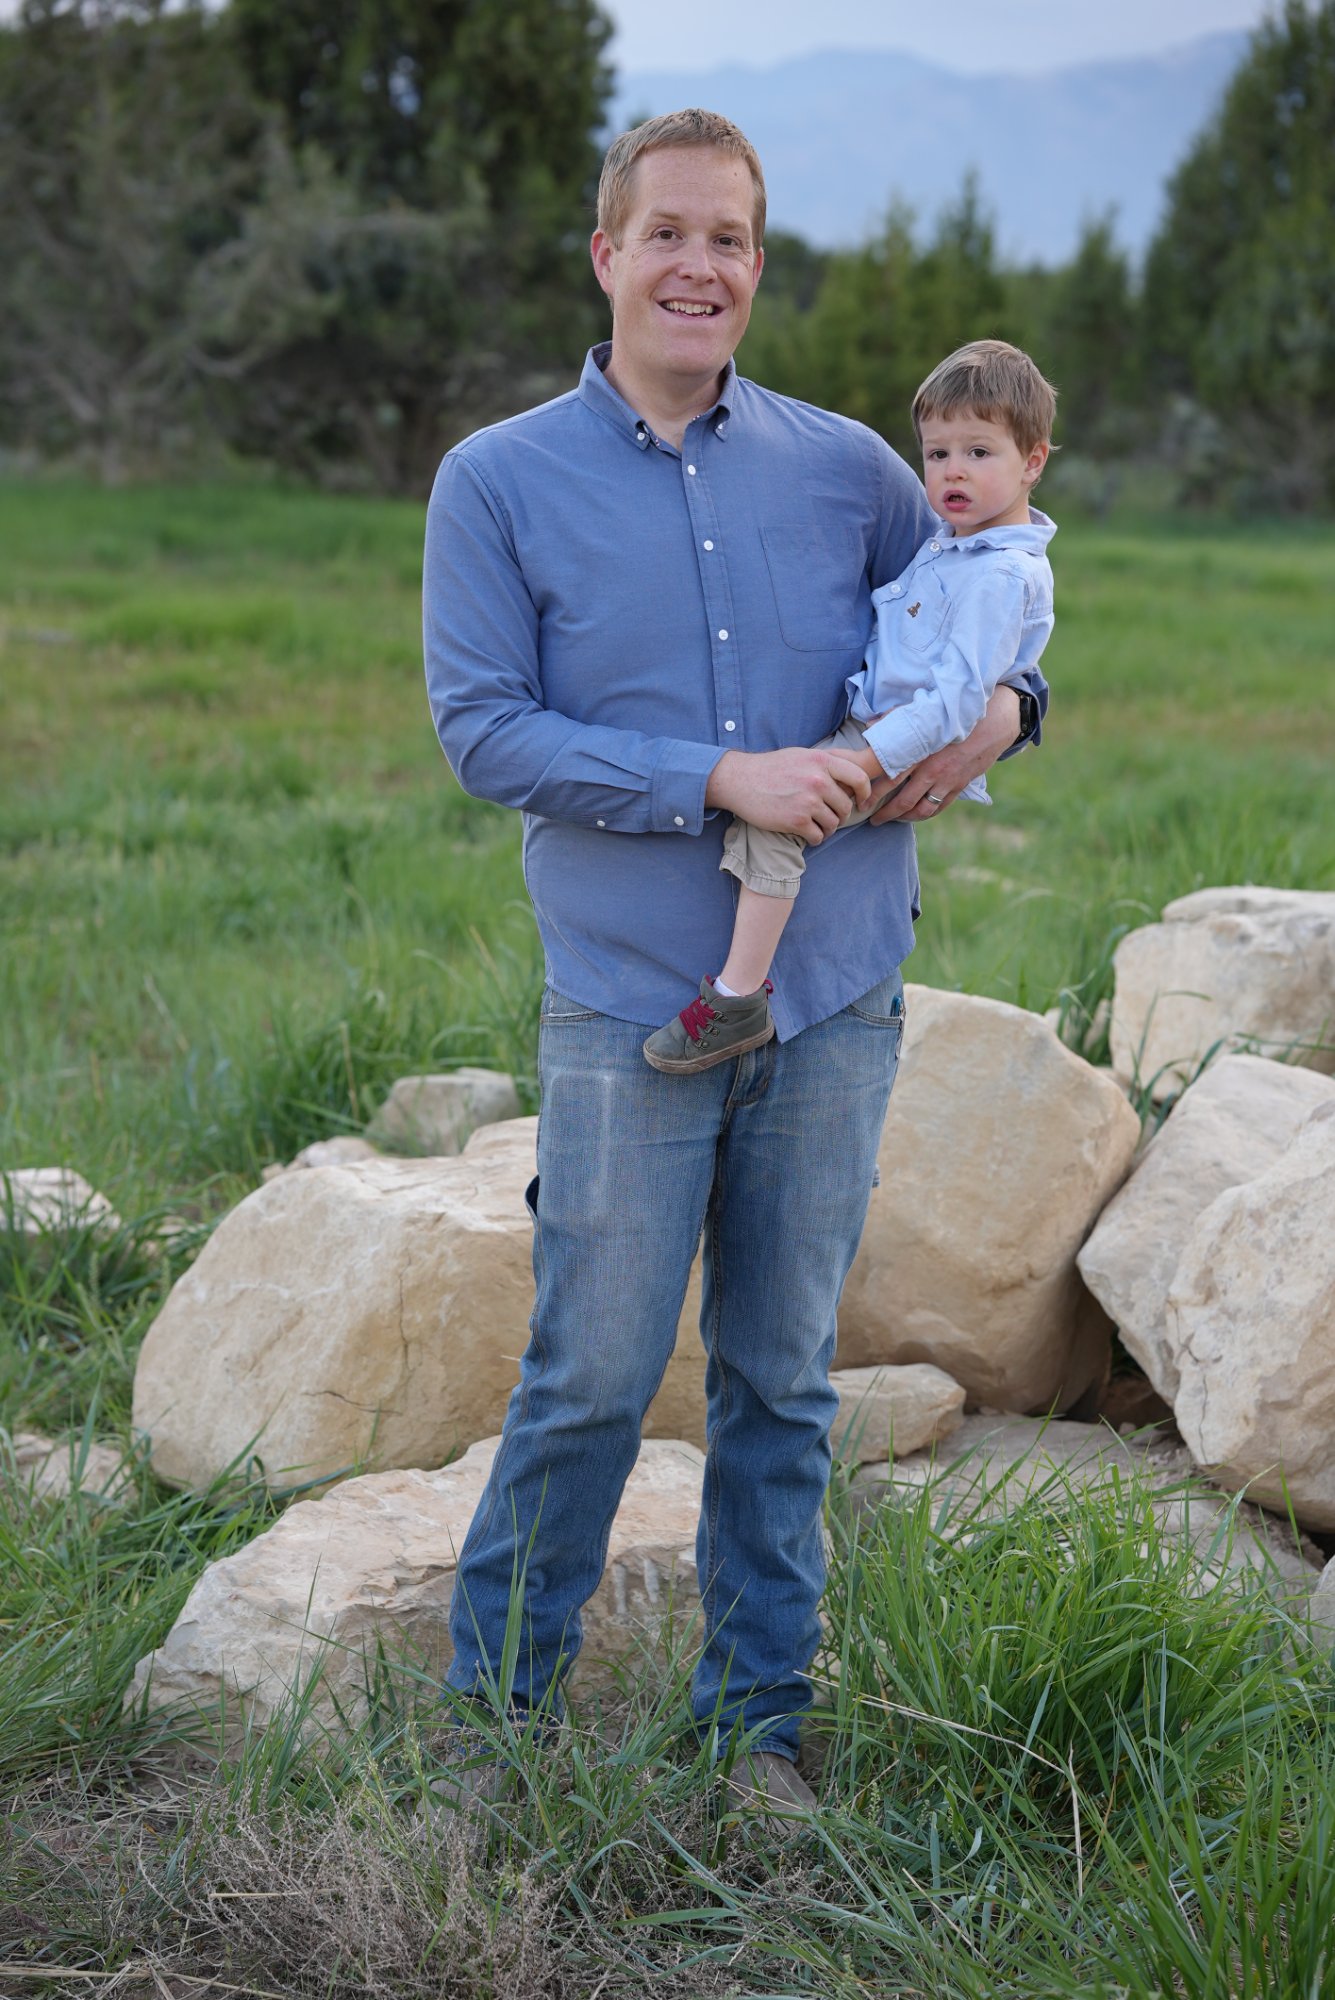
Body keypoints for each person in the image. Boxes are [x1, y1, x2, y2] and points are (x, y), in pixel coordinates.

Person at [423, 109, 1047, 1820]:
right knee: (588, 1379)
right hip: (632, 1000)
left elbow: (990, 603)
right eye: (669, 233)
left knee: (781, 1381)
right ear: (607, 254)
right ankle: (494, 1738)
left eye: (730, 239)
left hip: (832, 991)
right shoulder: (497, 480)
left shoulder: (853, 469)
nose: (699, 266)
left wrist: (1013, 710)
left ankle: (756, 1729)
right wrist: (718, 777)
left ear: (756, 266)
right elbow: (482, 730)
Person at [642, 339, 1056, 1074]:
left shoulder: (999, 574)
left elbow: (958, 699)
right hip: (872, 725)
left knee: (776, 822)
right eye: (936, 454)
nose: (952, 471)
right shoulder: (952, 545)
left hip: (889, 740)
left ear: (1032, 462)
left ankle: (737, 996)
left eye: (978, 452)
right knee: (773, 816)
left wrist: (864, 761)